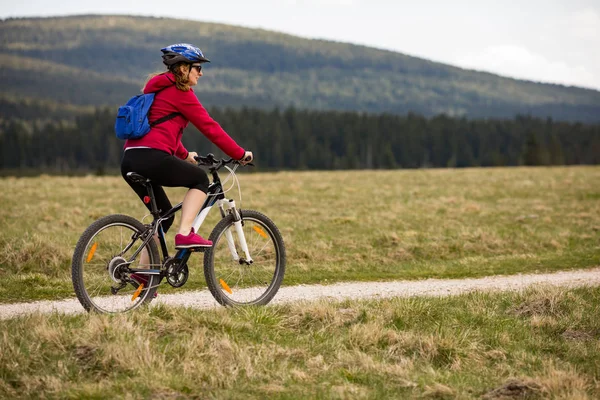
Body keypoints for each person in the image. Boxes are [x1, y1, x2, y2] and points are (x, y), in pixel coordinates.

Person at [121, 43, 252, 266]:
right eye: (197, 68)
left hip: (131, 159)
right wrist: (239, 153)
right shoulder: (181, 93)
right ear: (183, 69)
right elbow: (210, 127)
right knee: (200, 179)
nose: (201, 73)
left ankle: (144, 277)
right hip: (153, 157)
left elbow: (160, 128)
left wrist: (183, 154)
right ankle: (185, 234)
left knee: (162, 217)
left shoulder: (157, 90)